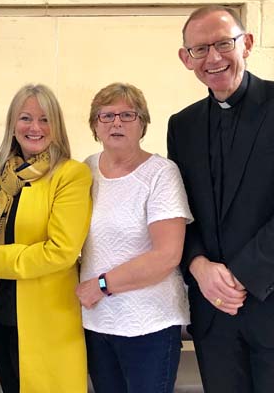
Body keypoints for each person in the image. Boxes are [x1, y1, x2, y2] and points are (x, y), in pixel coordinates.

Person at [168, 5, 274, 393]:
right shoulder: (182, 125)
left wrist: (237, 277)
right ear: (186, 58)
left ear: (247, 44)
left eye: (224, 44)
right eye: (200, 49)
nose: (213, 58)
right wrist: (198, 265)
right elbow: (181, 210)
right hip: (214, 316)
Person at [75, 82, 192, 393]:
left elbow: (167, 255)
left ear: (143, 124)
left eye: (127, 115)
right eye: (107, 115)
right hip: (97, 322)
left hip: (149, 324)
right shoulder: (86, 170)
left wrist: (102, 285)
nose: (116, 122)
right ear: (94, 125)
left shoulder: (161, 173)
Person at [0, 84, 92, 392]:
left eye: (45, 119)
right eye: (26, 118)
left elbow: (63, 250)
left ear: (57, 125)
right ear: (13, 124)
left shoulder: (70, 174)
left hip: (47, 319)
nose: (35, 127)